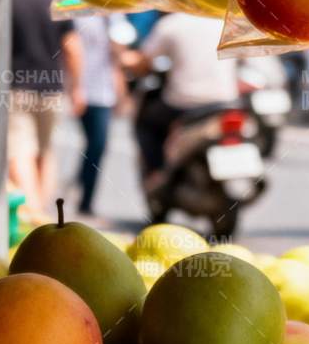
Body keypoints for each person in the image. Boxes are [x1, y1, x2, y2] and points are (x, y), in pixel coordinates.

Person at [7, 0, 84, 223]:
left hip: (16, 88)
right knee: (46, 151)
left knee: (19, 151)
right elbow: (72, 48)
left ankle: (34, 212)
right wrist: (77, 88)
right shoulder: (59, 0)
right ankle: (42, 212)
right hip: (52, 89)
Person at [135, 12, 238, 181]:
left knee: (147, 123)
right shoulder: (224, 23)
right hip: (227, 101)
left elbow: (145, 60)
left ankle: (155, 173)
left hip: (184, 103)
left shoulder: (170, 25)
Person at [72, 12, 132, 218]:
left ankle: (85, 197)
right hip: (83, 90)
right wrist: (75, 88)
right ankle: (81, 185)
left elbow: (118, 61)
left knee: (97, 145)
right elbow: (71, 49)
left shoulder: (116, 17)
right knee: (93, 144)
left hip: (105, 93)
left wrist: (121, 93)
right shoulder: (80, 16)